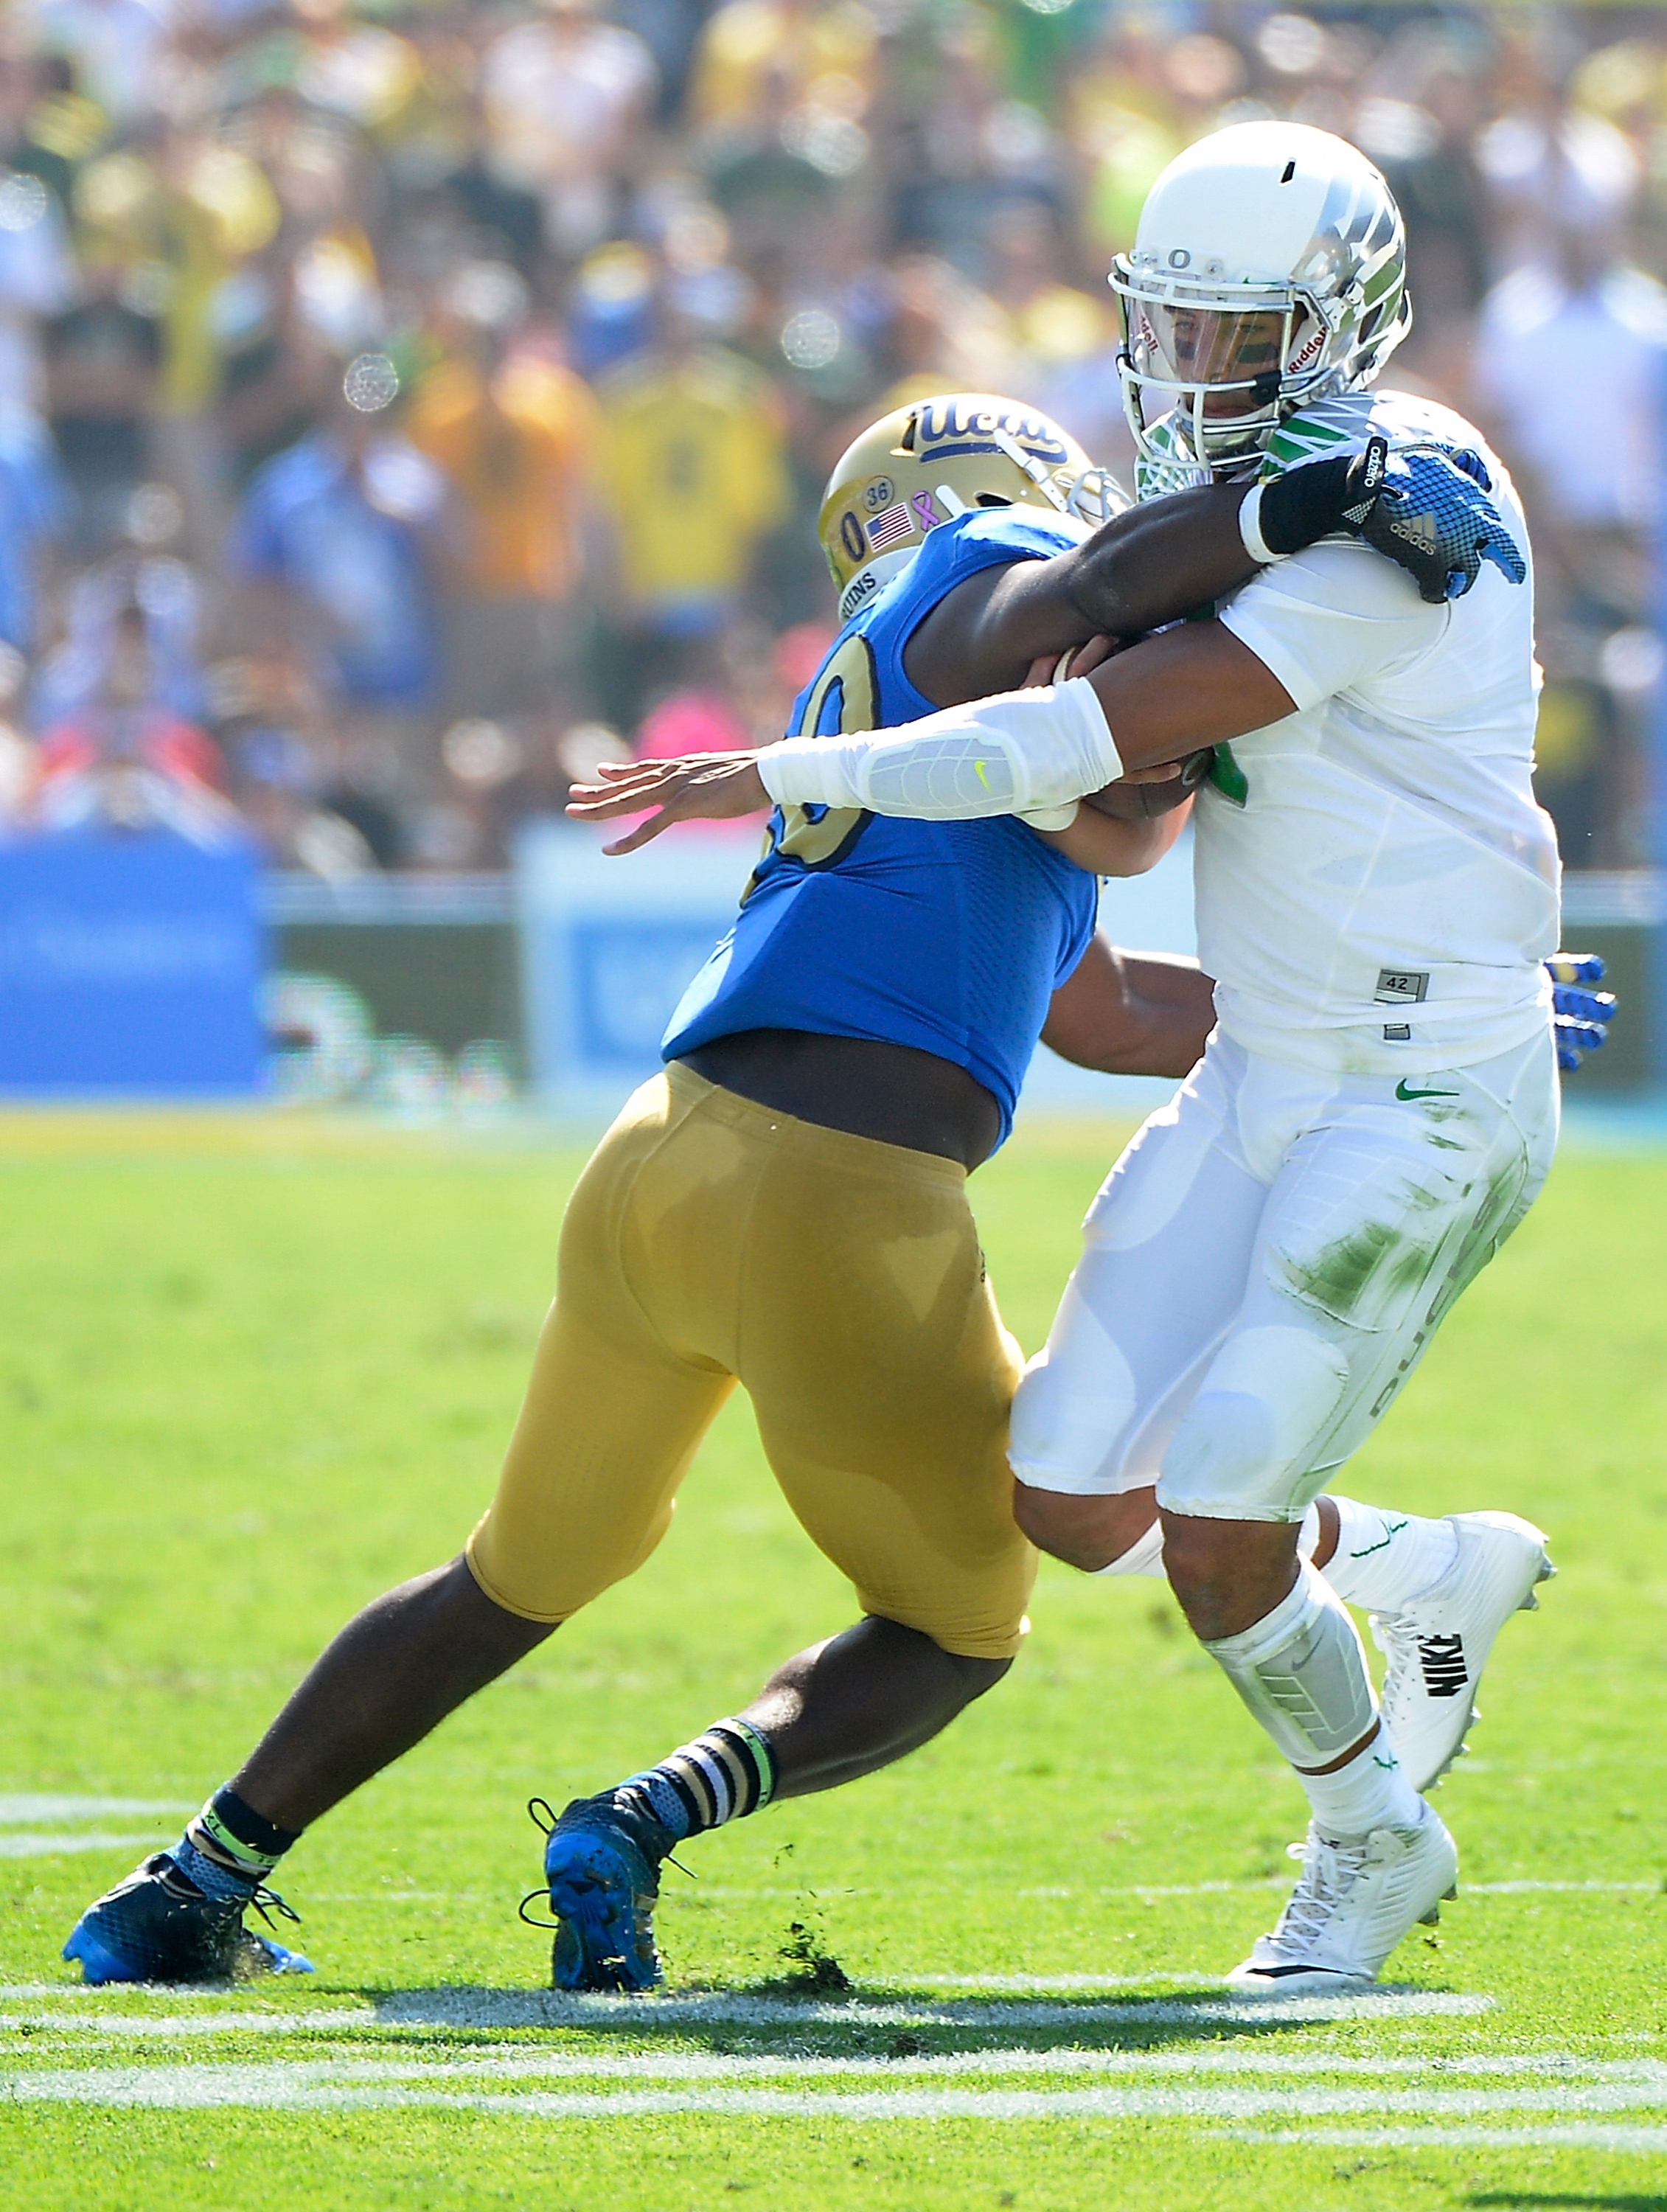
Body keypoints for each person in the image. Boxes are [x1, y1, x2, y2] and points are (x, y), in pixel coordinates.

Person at [60, 383, 1466, 1994]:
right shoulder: (989, 561)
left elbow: (1122, 1010)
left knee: (517, 1569)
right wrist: (1301, 506)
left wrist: (1413, 1007)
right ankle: (633, 1828)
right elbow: (1092, 600)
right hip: (843, 1207)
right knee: (961, 1622)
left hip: (663, 1161)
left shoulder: (924, 731)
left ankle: (187, 1886)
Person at [568, 124, 1618, 1995]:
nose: (1195, 374)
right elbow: (1118, 708)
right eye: (1179, 330)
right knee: (1066, 1497)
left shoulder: (1409, 503)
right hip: (1271, 1073)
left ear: (1338, 328)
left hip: (1421, 1092)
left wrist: (783, 768)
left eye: (1240, 337)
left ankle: (1373, 1841)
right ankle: (1413, 1566)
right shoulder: (1260, 498)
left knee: (1215, 1533)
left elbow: (1081, 740)